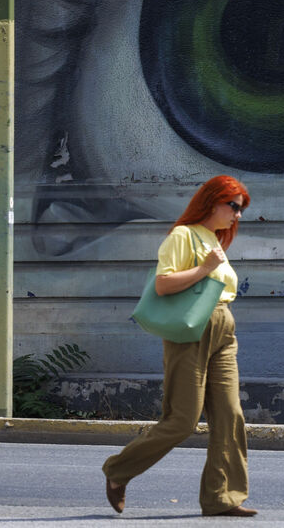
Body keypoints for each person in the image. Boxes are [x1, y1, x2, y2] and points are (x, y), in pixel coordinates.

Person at [102, 175, 257, 517]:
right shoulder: (183, 235)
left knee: (230, 416)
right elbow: (163, 284)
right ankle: (118, 470)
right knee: (183, 420)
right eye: (233, 206)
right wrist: (205, 268)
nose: (238, 215)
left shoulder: (214, 239)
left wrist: (211, 268)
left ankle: (222, 497)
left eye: (241, 209)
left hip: (222, 330)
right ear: (211, 201)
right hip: (191, 330)